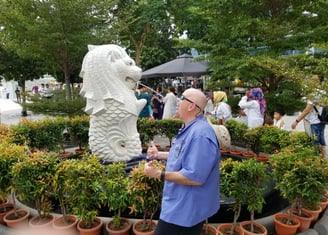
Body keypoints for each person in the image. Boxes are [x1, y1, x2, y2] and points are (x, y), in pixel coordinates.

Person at [144, 88, 220, 235]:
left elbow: (194, 177)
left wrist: (158, 174)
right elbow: (183, 155)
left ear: (191, 106)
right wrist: (159, 154)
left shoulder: (200, 134)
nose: (178, 101)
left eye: (182, 98)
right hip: (178, 205)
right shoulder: (190, 128)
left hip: (184, 211)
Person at [291, 83, 326, 157]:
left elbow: (307, 110)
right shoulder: (323, 93)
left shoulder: (314, 94)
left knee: (315, 142)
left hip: (315, 122)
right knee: (321, 141)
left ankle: (317, 161)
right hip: (321, 120)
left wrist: (296, 121)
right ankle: (323, 160)